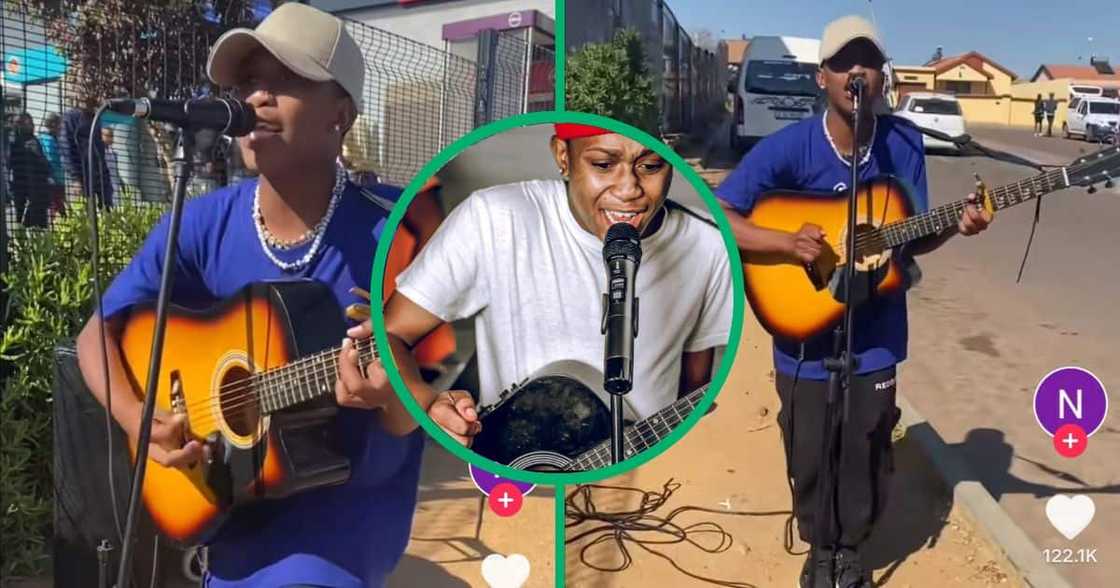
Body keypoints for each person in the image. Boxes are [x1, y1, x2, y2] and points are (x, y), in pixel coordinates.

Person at [75, 5, 429, 586]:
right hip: (226, 498)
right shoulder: (200, 222)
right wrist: (139, 419)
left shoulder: (406, 230)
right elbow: (98, 331)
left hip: (341, 516)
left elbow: (434, 396)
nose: (255, 98)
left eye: (283, 81)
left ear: (340, 114)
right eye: (246, 84)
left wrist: (393, 398)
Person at [714, 16, 992, 588]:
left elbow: (912, 234)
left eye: (868, 61)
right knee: (811, 447)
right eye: (844, 63)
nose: (856, 72)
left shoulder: (904, 145)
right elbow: (721, 214)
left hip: (877, 331)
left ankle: (850, 553)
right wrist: (786, 242)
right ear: (823, 78)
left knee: (866, 445)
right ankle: (819, 549)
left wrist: (958, 226)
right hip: (803, 330)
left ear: (883, 75)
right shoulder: (789, 147)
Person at [382, 123, 733, 448]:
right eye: (602, 165)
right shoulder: (494, 218)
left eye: (651, 166)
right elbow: (390, 333)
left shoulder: (708, 248)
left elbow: (692, 391)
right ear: (563, 157)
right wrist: (428, 403)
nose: (629, 190)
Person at [63, 94, 114, 209]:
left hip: (99, 177)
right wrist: (75, 179)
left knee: (106, 210)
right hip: (82, 177)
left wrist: (105, 177)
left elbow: (100, 151)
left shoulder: (96, 117)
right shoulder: (71, 117)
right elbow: (67, 149)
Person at [8, 112, 52, 227]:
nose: (31, 125)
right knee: (20, 224)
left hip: (37, 191)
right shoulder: (12, 143)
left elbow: (44, 163)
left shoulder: (34, 141)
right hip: (21, 190)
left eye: (30, 122)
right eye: (24, 123)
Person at [39, 113, 68, 218]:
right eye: (59, 124)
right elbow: (51, 159)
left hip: (58, 179)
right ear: (53, 124)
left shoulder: (54, 138)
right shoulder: (47, 139)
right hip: (53, 180)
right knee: (56, 208)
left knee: (58, 206)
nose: (61, 127)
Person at [101, 126, 125, 197]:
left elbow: (117, 172)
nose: (111, 138)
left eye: (112, 136)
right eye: (108, 136)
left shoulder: (114, 154)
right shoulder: (98, 153)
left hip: (115, 187)